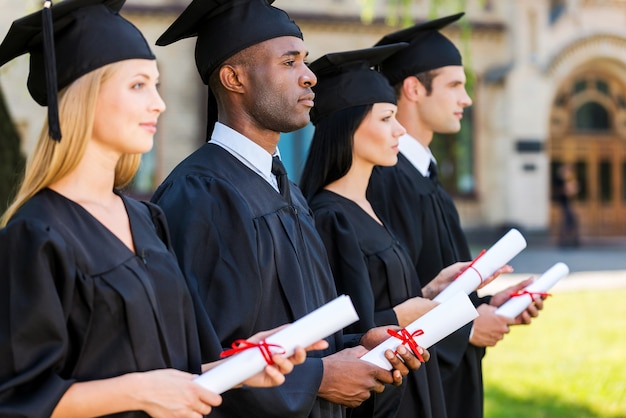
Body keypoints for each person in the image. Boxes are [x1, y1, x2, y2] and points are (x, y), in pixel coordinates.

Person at [0, 1, 322, 416]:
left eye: (156, 85)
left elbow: (175, 370)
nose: (158, 104)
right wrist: (135, 393)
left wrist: (244, 365)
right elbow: (14, 398)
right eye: (138, 86)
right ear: (83, 97)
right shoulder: (37, 234)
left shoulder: (145, 220)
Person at [151, 1, 422, 417]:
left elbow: (298, 326)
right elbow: (195, 359)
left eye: (306, 61)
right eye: (289, 62)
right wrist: (319, 378)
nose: (310, 76)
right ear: (234, 77)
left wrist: (358, 345)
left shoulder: (286, 190)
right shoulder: (201, 194)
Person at [367, 13, 544, 418]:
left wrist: (489, 304)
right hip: (413, 388)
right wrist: (466, 328)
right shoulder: (387, 181)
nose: (466, 99)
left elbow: (437, 277)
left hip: (451, 381)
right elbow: (393, 298)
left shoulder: (425, 175)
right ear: (413, 89)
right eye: (455, 85)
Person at [300, 44, 467, 418]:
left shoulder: (367, 207)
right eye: (386, 118)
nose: (400, 129)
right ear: (350, 125)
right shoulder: (329, 218)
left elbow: (375, 295)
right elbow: (342, 332)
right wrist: (399, 316)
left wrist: (428, 291)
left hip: (411, 385)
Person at [553, 162, 580, 247]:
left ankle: (570, 240)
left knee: (570, 220)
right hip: (563, 202)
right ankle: (564, 240)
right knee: (567, 221)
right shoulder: (559, 180)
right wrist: (568, 190)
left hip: (566, 202)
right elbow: (559, 191)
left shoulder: (566, 180)